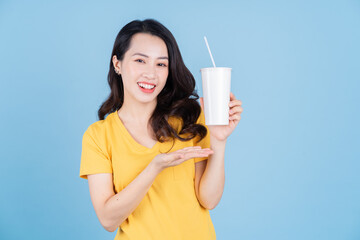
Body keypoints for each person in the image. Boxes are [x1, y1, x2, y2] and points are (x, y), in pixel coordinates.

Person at [79, 18, 243, 240]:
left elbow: (209, 200)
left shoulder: (189, 119)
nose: (151, 73)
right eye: (140, 60)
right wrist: (154, 168)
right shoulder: (98, 136)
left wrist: (219, 140)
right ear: (117, 64)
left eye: (161, 64)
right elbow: (108, 220)